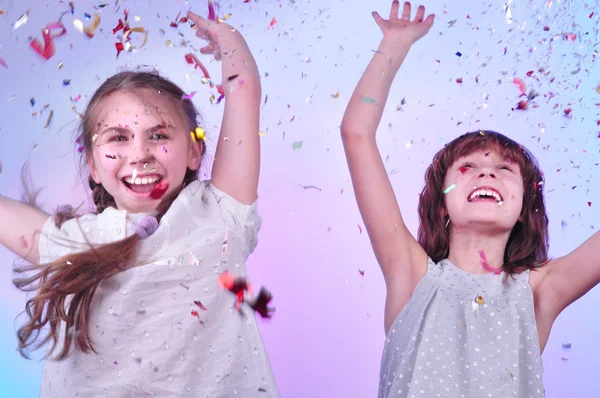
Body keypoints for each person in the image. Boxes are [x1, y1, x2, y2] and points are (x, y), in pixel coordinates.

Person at [0, 10, 279, 397]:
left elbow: (244, 91)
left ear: (194, 152)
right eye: (117, 138)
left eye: (158, 134)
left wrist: (229, 39)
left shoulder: (220, 214)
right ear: (94, 167)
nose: (140, 153)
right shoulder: (77, 241)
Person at [340, 1, 600, 397]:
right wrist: (393, 46)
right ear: (441, 204)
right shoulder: (411, 275)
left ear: (524, 210)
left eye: (505, 169)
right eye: (467, 167)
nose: (486, 171)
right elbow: (356, 134)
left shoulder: (538, 291)